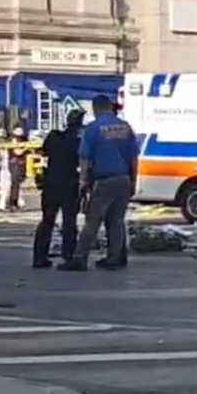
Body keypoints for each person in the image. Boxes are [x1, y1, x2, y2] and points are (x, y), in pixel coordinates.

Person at [59, 95, 138, 271]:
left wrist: (83, 181)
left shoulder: (93, 128)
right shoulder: (125, 127)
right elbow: (134, 158)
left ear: (95, 109)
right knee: (117, 220)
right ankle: (115, 257)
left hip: (104, 180)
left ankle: (80, 258)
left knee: (93, 221)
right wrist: (133, 180)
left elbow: (85, 157)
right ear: (110, 107)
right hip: (123, 179)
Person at [32, 110, 85, 268]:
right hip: (69, 184)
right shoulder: (78, 141)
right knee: (69, 221)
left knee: (47, 220)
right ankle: (68, 255)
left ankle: (39, 256)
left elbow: (44, 153)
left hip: (51, 183)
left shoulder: (53, 137)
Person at [4, 126, 29, 212]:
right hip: (15, 164)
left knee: (17, 184)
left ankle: (15, 202)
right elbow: (17, 152)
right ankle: (12, 203)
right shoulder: (13, 141)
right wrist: (26, 148)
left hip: (20, 164)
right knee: (14, 184)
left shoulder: (23, 140)